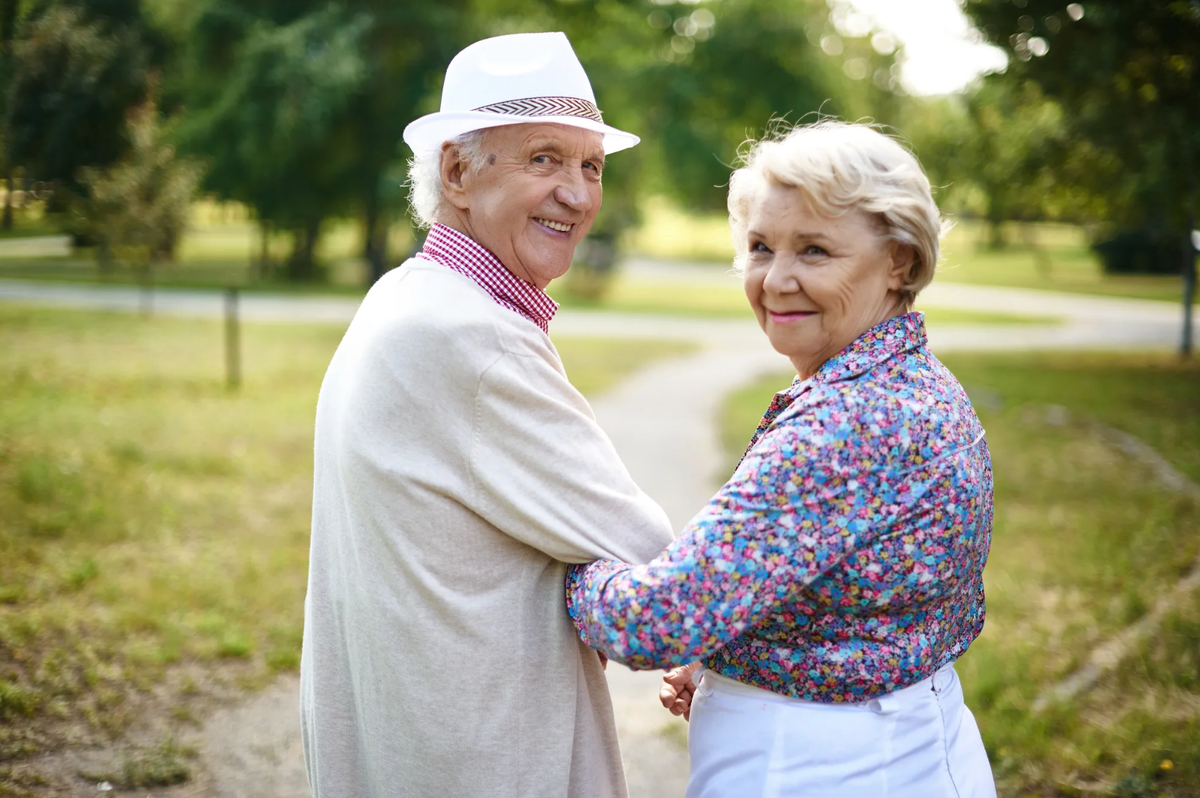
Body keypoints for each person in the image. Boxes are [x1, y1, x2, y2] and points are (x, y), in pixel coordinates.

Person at [567, 121, 998, 797]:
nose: (777, 280)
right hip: (914, 743)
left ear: (900, 263)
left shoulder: (851, 420)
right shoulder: (915, 381)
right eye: (761, 247)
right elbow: (852, 592)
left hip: (815, 766)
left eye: (816, 250)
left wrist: (558, 570)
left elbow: (656, 619)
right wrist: (729, 649)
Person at [299, 32, 674, 798]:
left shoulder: (404, 295)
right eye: (544, 159)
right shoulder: (471, 337)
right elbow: (646, 552)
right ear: (458, 171)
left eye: (590, 165)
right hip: (481, 763)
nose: (578, 192)